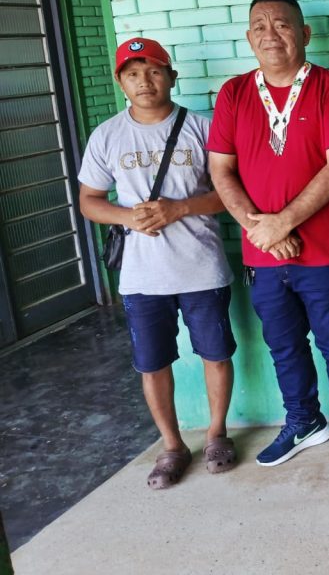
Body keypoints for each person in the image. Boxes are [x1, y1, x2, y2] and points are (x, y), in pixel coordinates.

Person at [208, 0, 329, 469]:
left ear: (304, 34)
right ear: (249, 38)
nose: (270, 34)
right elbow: (221, 170)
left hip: (324, 250)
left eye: (281, 25)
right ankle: (304, 421)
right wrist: (262, 230)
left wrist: (282, 222)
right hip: (262, 254)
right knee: (283, 345)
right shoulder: (234, 93)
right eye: (259, 26)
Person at [79, 37, 236, 489]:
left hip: (201, 266)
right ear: (121, 83)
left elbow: (230, 193)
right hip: (142, 276)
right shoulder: (107, 135)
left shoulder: (202, 128)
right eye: (132, 74)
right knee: (152, 364)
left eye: (153, 71)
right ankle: (172, 446)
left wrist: (180, 208)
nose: (144, 81)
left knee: (216, 354)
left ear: (171, 76)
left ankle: (216, 435)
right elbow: (90, 200)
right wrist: (127, 216)